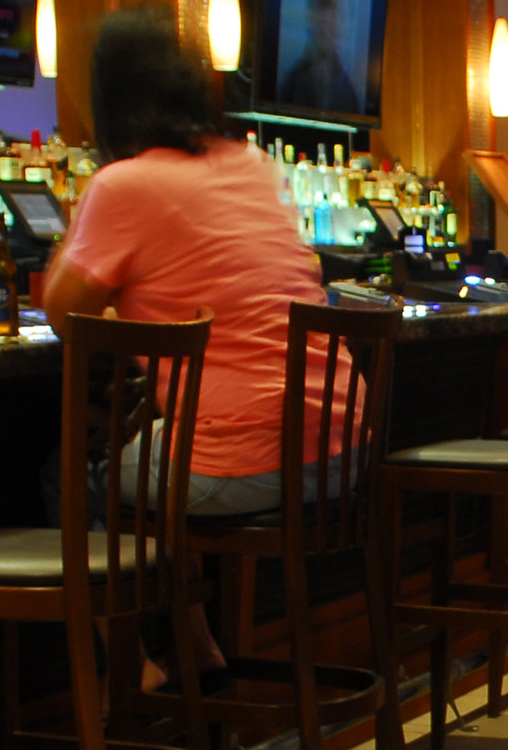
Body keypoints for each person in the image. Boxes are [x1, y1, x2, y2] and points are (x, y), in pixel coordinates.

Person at [39, 8, 355, 688]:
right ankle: (196, 646)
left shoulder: (123, 184)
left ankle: (132, 664)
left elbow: (66, 315)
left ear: (107, 97)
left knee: (73, 477)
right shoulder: (248, 163)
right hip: (341, 455)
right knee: (157, 446)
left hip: (251, 465)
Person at [278, 0, 365, 114]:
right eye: (323, 8)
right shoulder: (291, 84)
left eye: (335, 11)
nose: (327, 19)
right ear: (310, 16)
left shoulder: (350, 94)